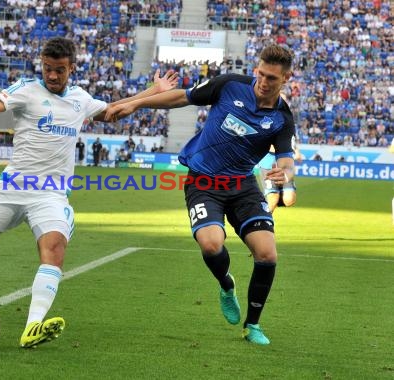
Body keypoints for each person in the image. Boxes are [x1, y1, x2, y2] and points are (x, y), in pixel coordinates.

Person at [0, 37, 178, 349]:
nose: (53, 76)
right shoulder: (26, 89)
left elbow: (114, 111)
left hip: (51, 194)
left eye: (59, 70)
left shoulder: (80, 98)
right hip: (12, 188)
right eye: (48, 68)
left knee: (55, 248)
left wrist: (153, 93)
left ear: (72, 68)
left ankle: (33, 326)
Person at [105, 45, 296, 345]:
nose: (263, 81)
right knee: (210, 244)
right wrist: (137, 104)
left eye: (272, 78)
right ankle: (226, 283)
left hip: (243, 186)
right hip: (204, 182)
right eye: (261, 73)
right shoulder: (230, 84)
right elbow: (182, 96)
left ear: (286, 78)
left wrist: (284, 173)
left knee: (267, 253)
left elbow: (286, 159)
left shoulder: (283, 118)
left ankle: (253, 325)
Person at [258, 138, 300, 212]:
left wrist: (296, 151)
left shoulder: (290, 128)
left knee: (289, 200)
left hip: (285, 164)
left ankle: (265, 205)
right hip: (269, 163)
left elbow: (291, 139)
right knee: (273, 197)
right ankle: (264, 220)